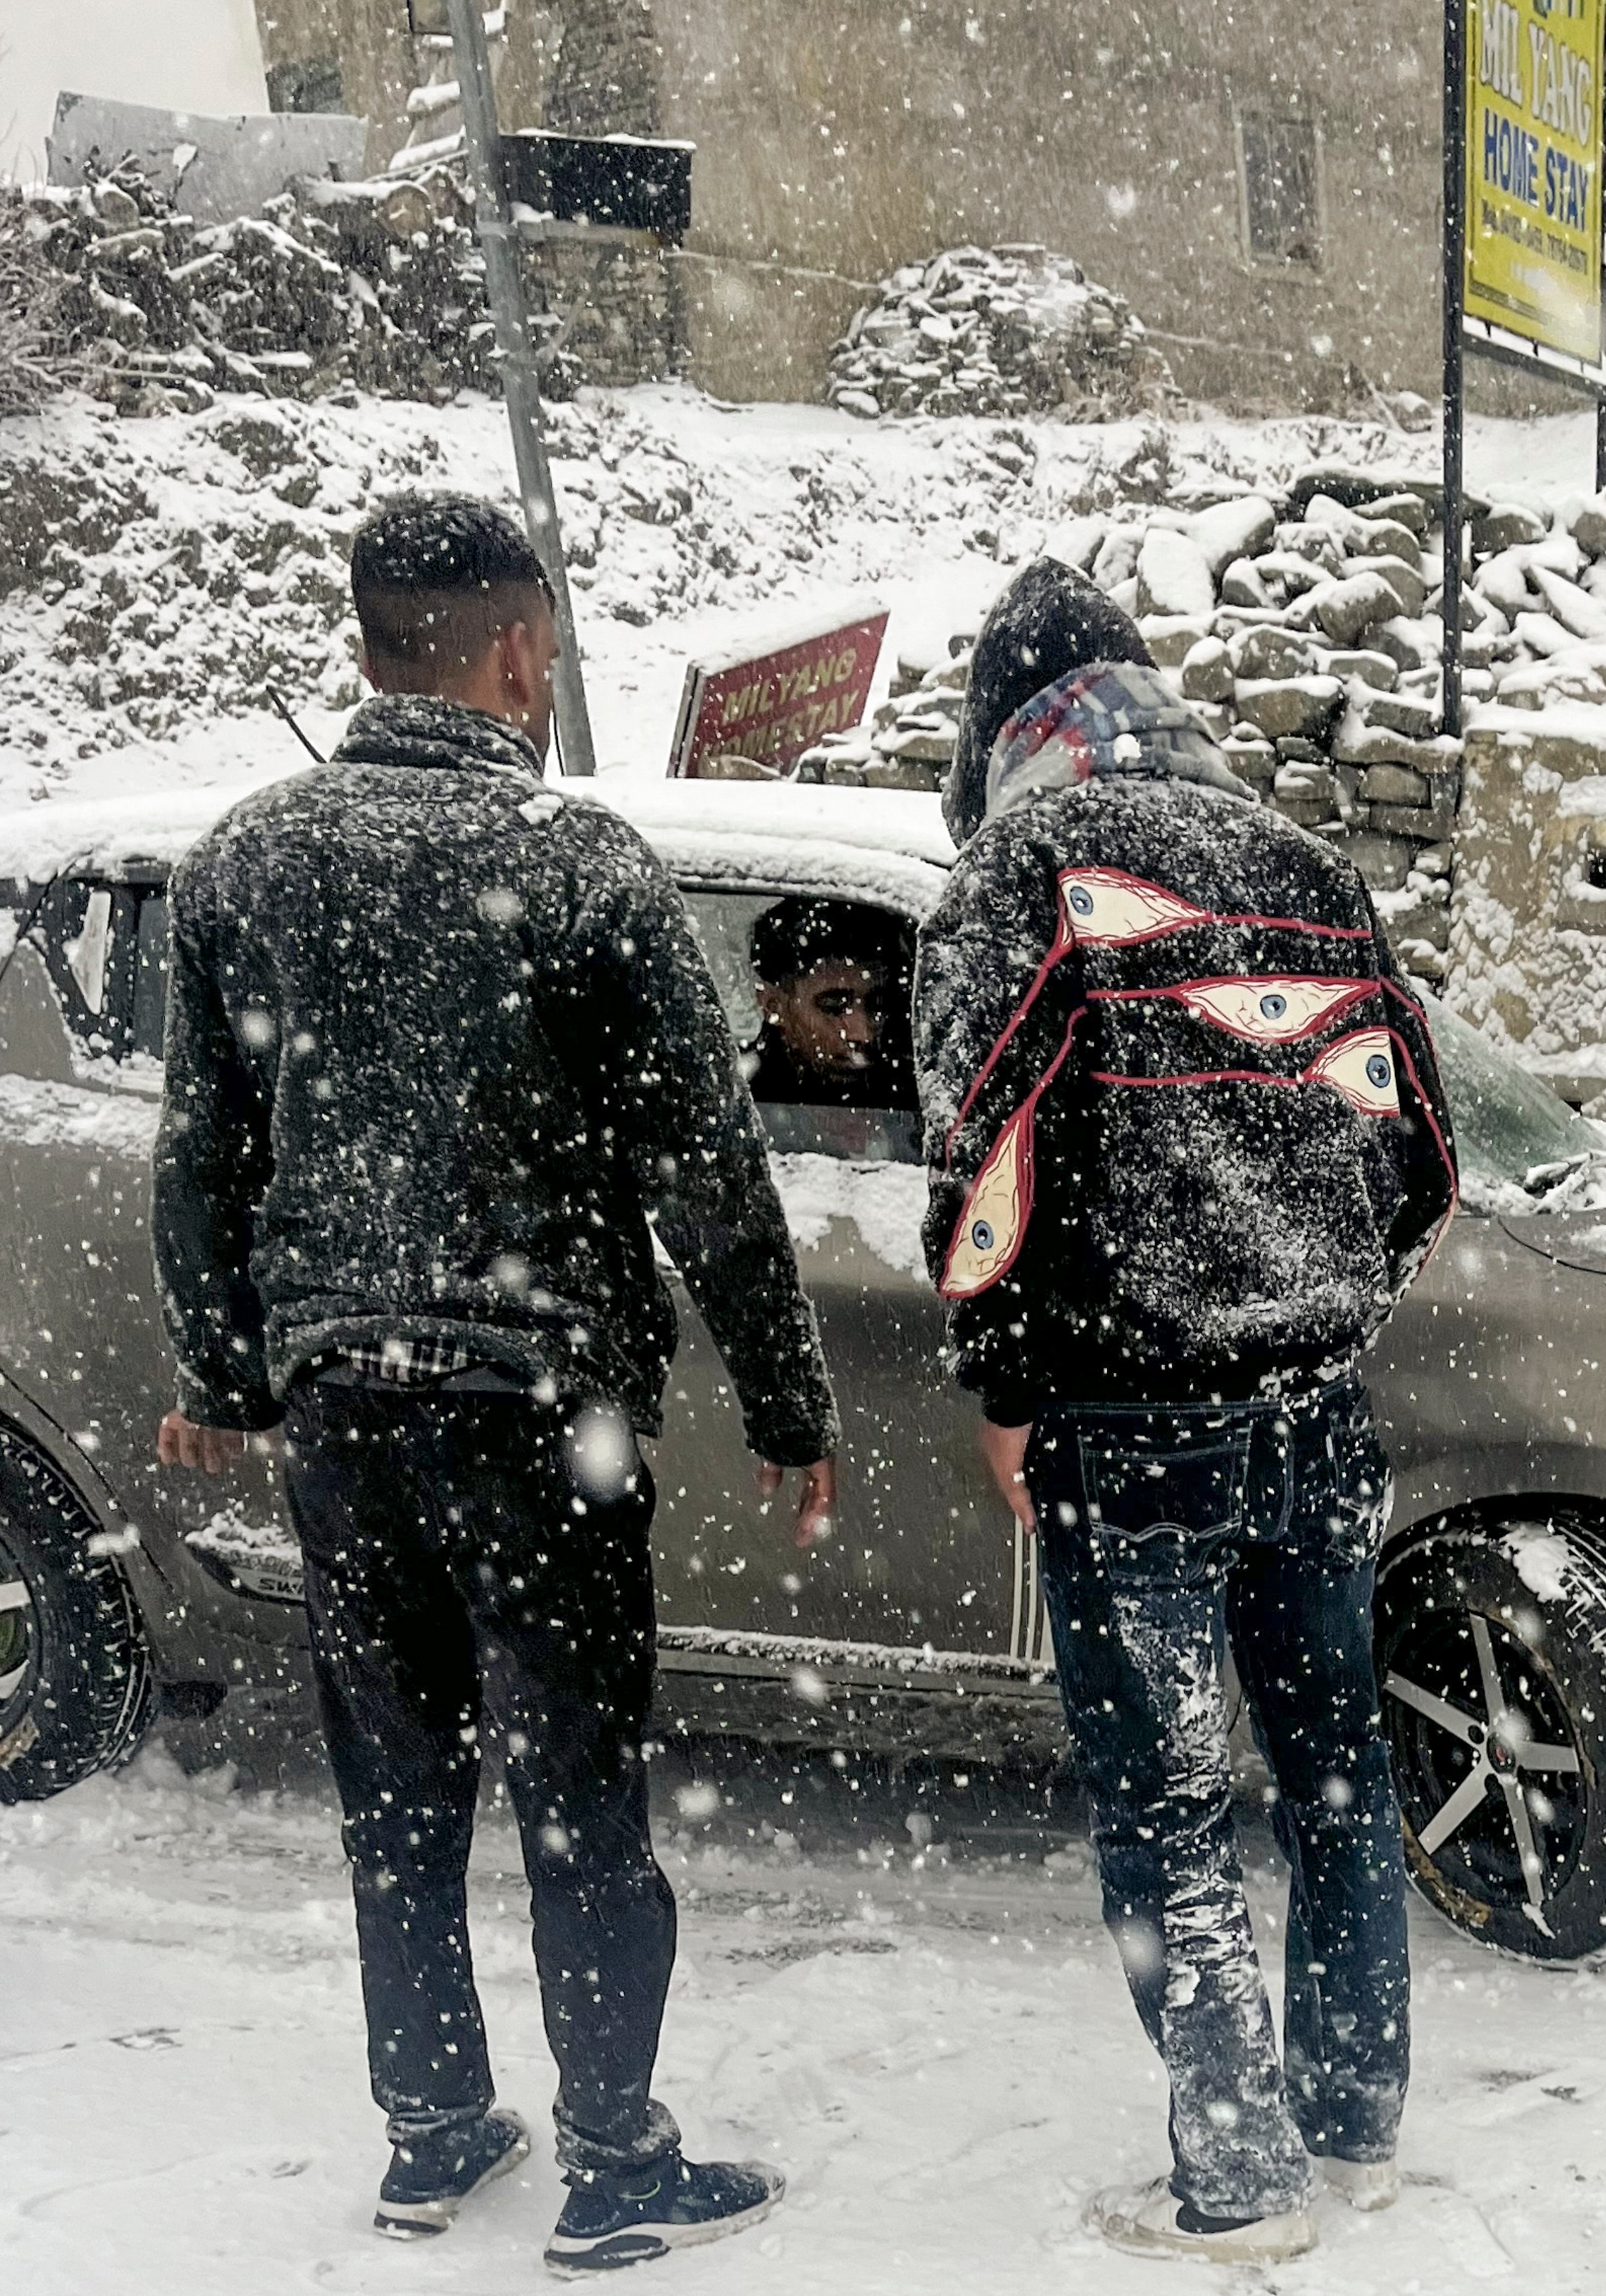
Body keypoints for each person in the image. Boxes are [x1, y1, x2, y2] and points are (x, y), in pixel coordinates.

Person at [151, 493, 843, 2277]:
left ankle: (431, 2132)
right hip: (546, 1416)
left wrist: (227, 1361)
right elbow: (708, 1175)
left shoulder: (241, 863)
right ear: (521, 647)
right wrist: (786, 1400)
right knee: (579, 1794)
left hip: (341, 1413)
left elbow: (202, 1154)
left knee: (394, 1788)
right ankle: (613, 2158)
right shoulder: (585, 867)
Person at [912, 559, 1455, 2264]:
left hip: (1125, 1411)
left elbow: (983, 1156)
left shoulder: (1020, 872)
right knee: (1341, 1770)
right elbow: (1420, 1142)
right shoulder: (1303, 864)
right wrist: (1321, 1277)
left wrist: (1006, 1376)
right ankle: (1353, 2120)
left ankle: (1233, 2180)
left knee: (1169, 1808)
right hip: (1314, 1401)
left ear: (1007, 726)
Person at [744, 896, 913, 1110]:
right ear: (773, 1005)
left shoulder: (924, 1094)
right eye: (833, 1006)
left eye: (877, 1005)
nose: (862, 1034)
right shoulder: (737, 1103)